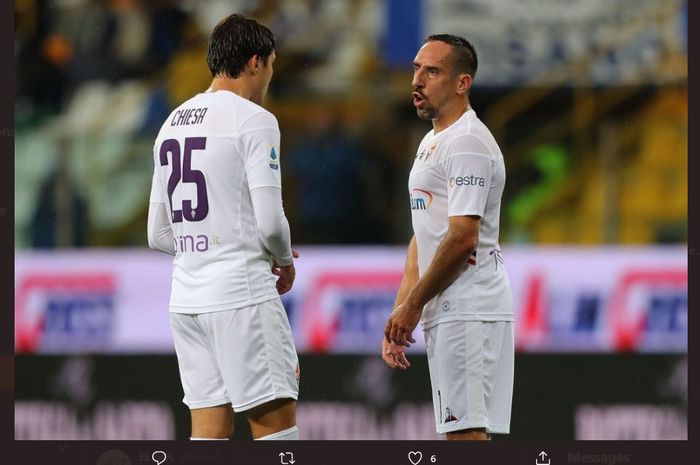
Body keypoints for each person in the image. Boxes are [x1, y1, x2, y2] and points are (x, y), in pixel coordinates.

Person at [147, 14, 300, 441]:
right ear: (255, 62)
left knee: (209, 435)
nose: (270, 76)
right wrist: (283, 260)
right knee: (275, 429)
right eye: (271, 65)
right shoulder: (254, 120)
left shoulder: (170, 124)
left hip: (187, 301)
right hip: (242, 296)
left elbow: (157, 233)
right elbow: (271, 223)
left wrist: (205, 247)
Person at [382, 35, 514, 440]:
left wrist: (412, 307)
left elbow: (462, 238)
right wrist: (403, 310)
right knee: (464, 436)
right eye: (416, 69)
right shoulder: (434, 140)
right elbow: (423, 235)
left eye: (432, 71)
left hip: (470, 307)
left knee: (465, 438)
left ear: (462, 83)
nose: (417, 80)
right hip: (451, 308)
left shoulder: (467, 142)